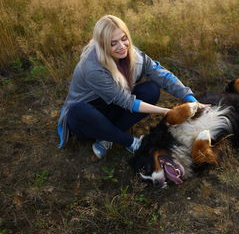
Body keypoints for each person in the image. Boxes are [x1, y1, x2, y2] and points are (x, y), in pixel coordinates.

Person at [57, 15, 208, 158]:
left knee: (151, 90)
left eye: (124, 39)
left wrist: (191, 99)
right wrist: (169, 112)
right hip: (89, 116)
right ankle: (131, 142)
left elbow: (161, 74)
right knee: (77, 111)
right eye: (113, 43)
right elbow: (127, 102)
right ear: (102, 45)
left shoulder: (133, 54)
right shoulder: (92, 68)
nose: (122, 46)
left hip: (113, 106)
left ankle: (108, 137)